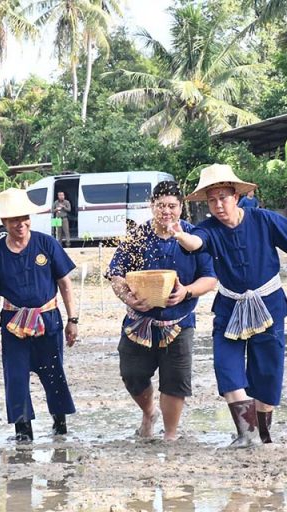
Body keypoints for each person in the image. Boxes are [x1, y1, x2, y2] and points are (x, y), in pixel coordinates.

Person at [170, 164, 287, 447]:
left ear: (236, 197)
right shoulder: (208, 229)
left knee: (267, 373)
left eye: (223, 198)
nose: (218, 205)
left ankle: (263, 436)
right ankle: (247, 434)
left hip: (268, 305)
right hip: (230, 307)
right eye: (212, 200)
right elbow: (195, 242)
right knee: (226, 366)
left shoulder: (263, 219)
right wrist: (180, 235)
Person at [108, 181, 217, 441]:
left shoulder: (194, 237)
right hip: (139, 321)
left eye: (171, 206)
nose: (166, 211)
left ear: (181, 208)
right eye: (160, 206)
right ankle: (149, 412)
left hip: (178, 322)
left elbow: (210, 278)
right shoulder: (137, 236)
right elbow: (115, 274)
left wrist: (187, 291)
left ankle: (170, 435)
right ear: (151, 206)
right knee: (132, 374)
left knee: (175, 380)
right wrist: (127, 297)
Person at [0, 188, 79, 442]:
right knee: (16, 377)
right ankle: (23, 432)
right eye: (14, 220)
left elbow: (65, 283)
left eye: (24, 218)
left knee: (53, 373)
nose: (20, 224)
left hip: (48, 321)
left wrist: (72, 319)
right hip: (13, 324)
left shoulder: (47, 244)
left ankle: (59, 424)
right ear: (4, 222)